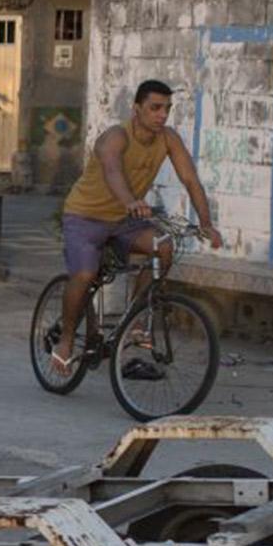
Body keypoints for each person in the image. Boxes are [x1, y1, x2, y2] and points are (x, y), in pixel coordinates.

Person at [50, 79, 221, 378]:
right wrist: (130, 201)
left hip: (124, 220)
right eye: (155, 108)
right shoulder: (115, 137)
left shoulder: (168, 139)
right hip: (85, 216)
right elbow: (113, 171)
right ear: (137, 109)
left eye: (167, 109)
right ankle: (65, 341)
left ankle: (135, 322)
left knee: (163, 246)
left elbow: (190, 179)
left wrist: (206, 224)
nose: (162, 115)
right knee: (85, 274)